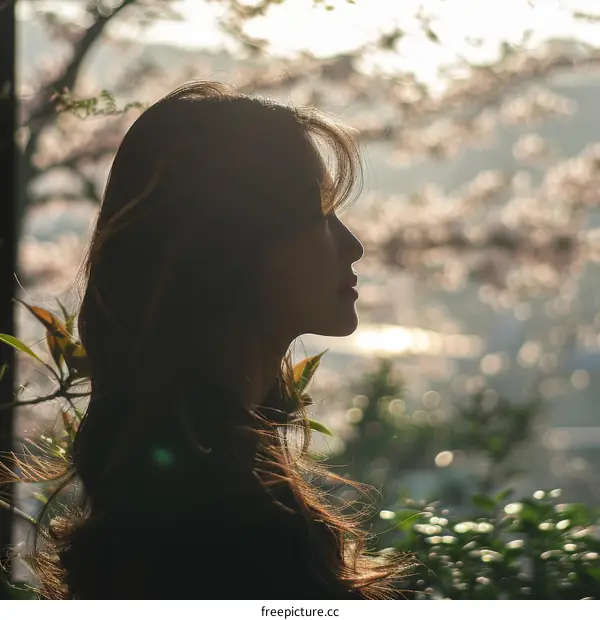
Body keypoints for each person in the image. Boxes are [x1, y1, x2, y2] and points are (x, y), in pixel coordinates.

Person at [5, 81, 413, 599]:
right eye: (318, 217)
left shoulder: (162, 493)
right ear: (233, 246)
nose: (353, 247)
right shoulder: (232, 526)